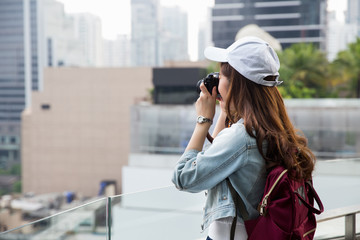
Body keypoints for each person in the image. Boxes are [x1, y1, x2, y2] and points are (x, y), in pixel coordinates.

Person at [171, 36, 316, 240]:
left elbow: (183, 177)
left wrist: (204, 120)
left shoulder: (242, 136)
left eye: (220, 76)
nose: (216, 81)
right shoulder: (273, 127)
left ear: (236, 84)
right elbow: (221, 155)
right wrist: (225, 109)